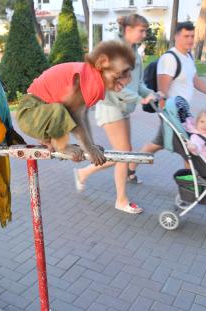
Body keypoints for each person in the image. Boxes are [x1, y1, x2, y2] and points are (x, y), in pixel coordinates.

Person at [73, 14, 159, 214]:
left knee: (123, 153)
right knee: (123, 154)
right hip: (111, 108)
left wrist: (150, 94)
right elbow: (112, 86)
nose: (144, 34)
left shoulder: (135, 54)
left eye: (145, 30)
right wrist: (140, 100)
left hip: (123, 109)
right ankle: (121, 199)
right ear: (128, 30)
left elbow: (138, 85)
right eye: (141, 30)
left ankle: (84, 173)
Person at [129, 21, 206, 175]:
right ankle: (190, 186)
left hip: (183, 113)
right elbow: (162, 91)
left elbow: (194, 80)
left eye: (192, 36)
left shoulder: (188, 56)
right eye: (186, 36)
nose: (190, 39)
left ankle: (130, 169)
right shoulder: (169, 59)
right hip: (172, 114)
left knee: (157, 144)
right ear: (176, 36)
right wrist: (167, 117)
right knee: (186, 148)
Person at [16, 40, 135, 166]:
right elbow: (73, 115)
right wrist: (88, 147)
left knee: (64, 111)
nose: (127, 77)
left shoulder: (90, 78)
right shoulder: (88, 79)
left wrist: (91, 145)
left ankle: (50, 141)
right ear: (102, 63)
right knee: (61, 110)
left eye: (129, 71)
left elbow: (82, 116)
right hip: (30, 113)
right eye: (123, 72)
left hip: (39, 114)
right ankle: (59, 145)